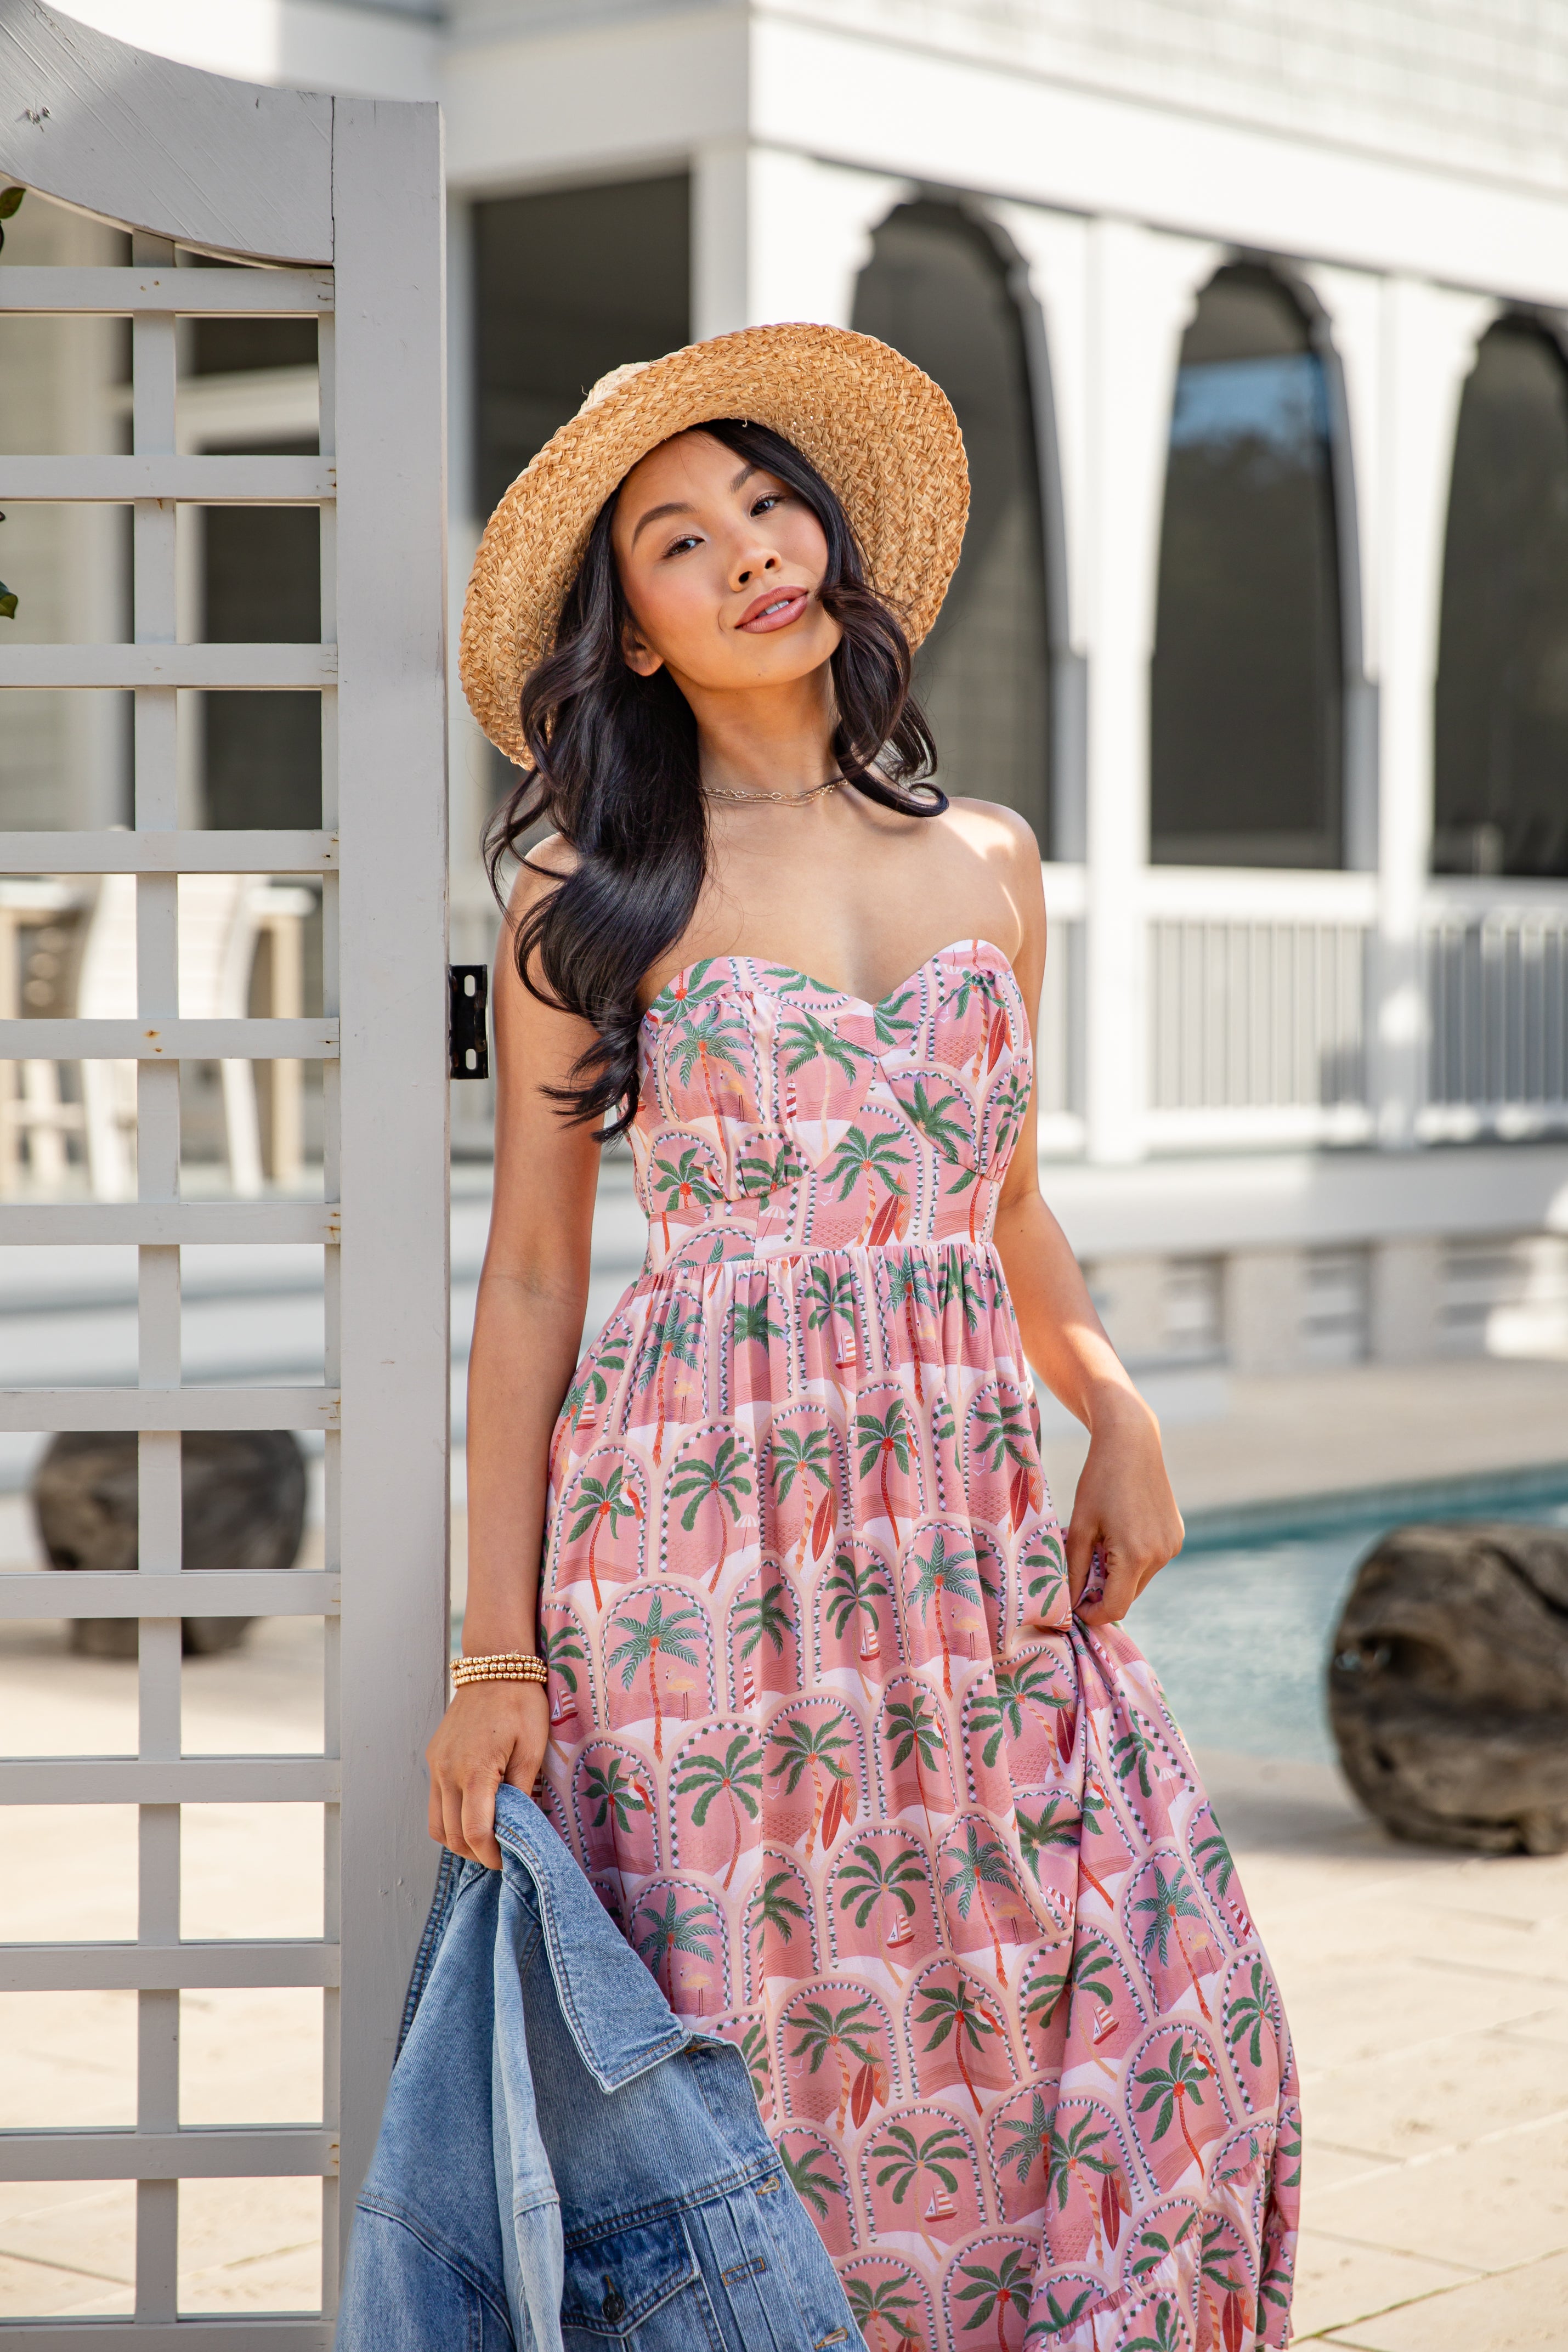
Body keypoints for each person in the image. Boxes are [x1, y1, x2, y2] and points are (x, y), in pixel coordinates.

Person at [429, 324, 1298, 2351]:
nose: (749, 549)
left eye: (766, 501)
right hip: (702, 1542)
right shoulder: (587, 892)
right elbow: (536, 1279)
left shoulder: (986, 858)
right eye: (679, 539)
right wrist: (494, 1654)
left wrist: (1114, 1403)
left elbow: (1004, 1199)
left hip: (962, 1527)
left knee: (1127, 1998)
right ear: (633, 638)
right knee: (770, 2036)